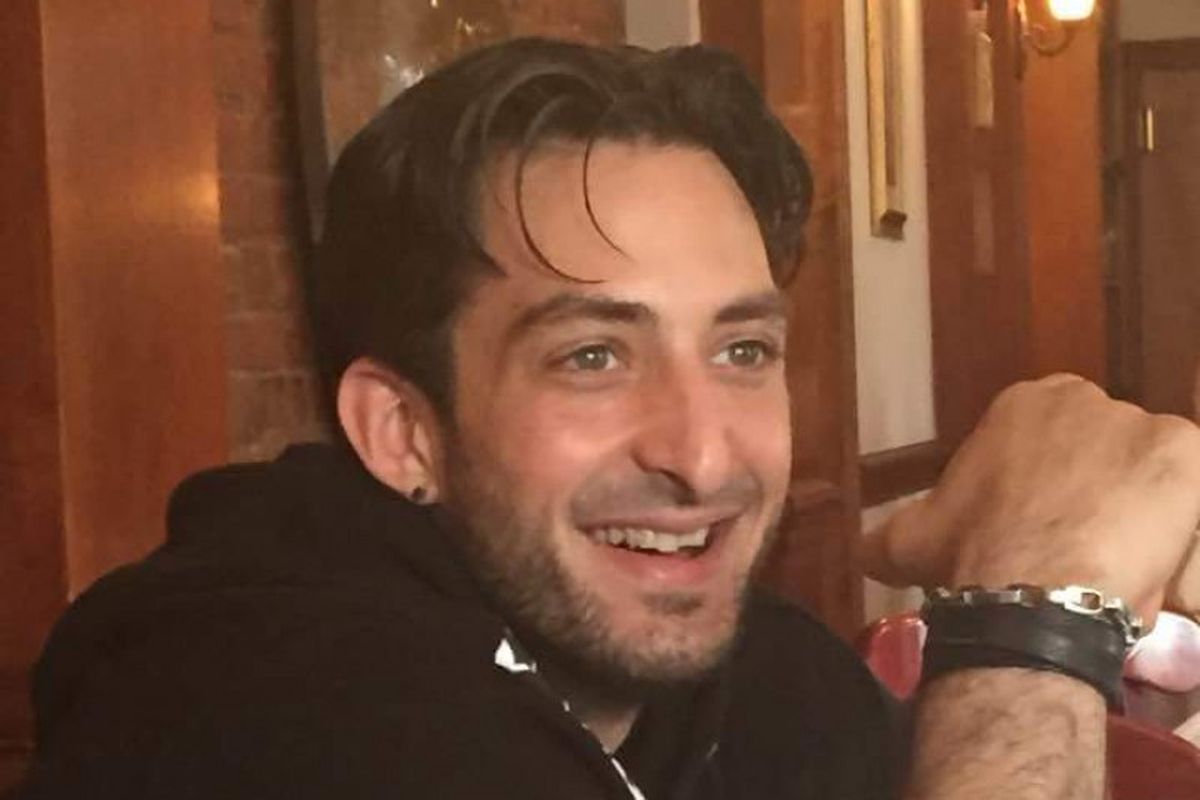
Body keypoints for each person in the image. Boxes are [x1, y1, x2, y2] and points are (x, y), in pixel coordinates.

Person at [14, 39, 1200, 800]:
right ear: (402, 431)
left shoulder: (776, 680)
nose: (701, 452)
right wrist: (1033, 630)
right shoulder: (254, 709)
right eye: (591, 356)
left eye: (742, 349)